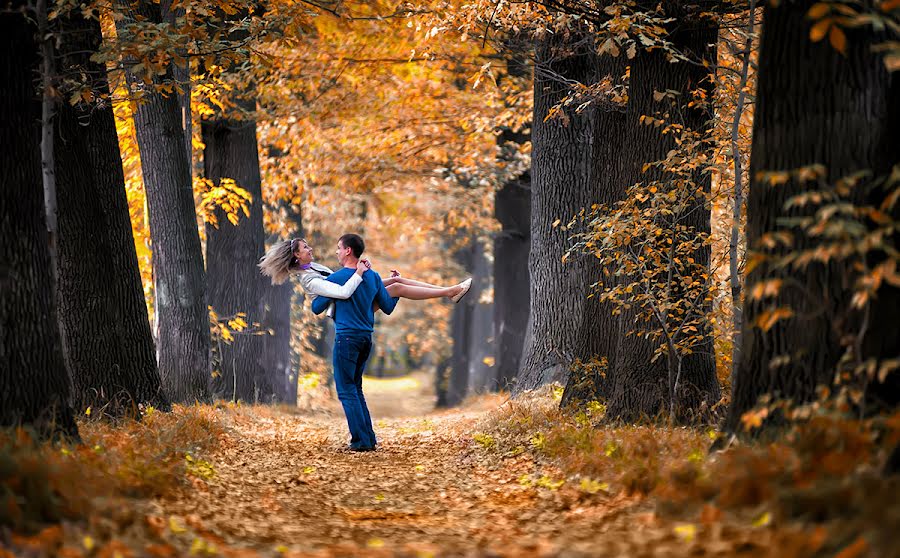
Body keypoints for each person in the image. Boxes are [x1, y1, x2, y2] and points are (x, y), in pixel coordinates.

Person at [310, 234, 396, 451]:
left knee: (346, 390)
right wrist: (396, 284)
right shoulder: (374, 277)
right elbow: (387, 306)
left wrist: (330, 292)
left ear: (348, 251)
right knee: (355, 388)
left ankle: (361, 442)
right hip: (366, 338)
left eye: (339, 248)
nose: (337, 252)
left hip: (347, 338)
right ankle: (368, 438)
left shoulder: (338, 278)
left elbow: (316, 307)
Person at [257, 237, 472, 308]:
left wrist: (368, 276)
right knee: (396, 288)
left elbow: (349, 281)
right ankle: (448, 292)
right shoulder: (308, 279)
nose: (310, 249)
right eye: (305, 248)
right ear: (296, 255)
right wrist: (360, 272)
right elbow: (342, 293)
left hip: (354, 297)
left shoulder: (315, 267)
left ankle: (449, 291)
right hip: (347, 308)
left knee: (397, 280)